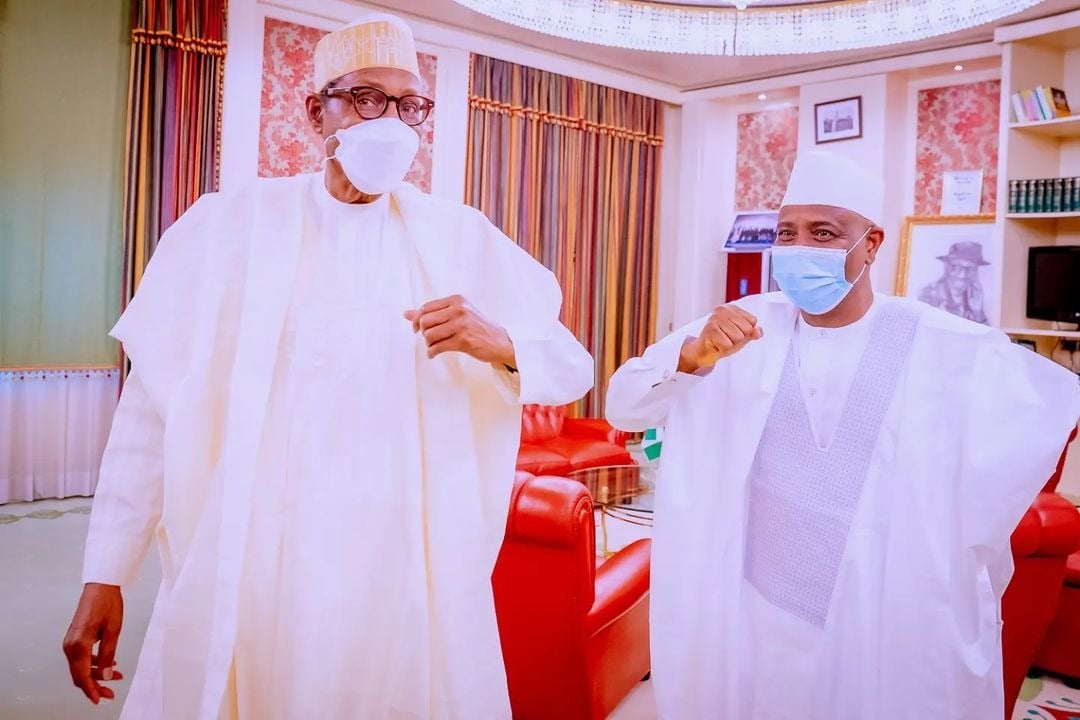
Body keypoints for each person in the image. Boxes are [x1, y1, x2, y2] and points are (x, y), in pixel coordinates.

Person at [62, 13, 593, 720]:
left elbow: (573, 365)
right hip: (256, 560)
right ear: (317, 111)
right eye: (368, 97)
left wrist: (499, 342)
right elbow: (152, 413)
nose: (393, 123)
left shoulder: (458, 240)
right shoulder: (228, 230)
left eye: (410, 106)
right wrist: (107, 571)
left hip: (402, 569)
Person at [606, 150, 1080, 719]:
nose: (799, 246)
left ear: (871, 243)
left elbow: (1049, 407)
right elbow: (624, 405)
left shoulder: (938, 343)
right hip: (750, 599)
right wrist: (693, 360)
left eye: (823, 233)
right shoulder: (738, 325)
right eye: (787, 232)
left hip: (870, 611)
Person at [918, 240, 991, 324]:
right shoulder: (929, 294)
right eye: (956, 267)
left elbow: (986, 335)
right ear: (946, 267)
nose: (962, 275)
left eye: (970, 269)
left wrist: (978, 312)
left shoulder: (975, 294)